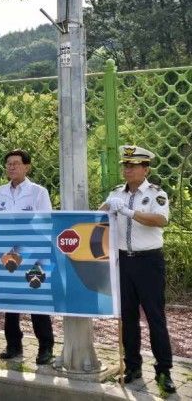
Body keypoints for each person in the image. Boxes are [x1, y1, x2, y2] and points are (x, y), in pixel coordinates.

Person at [101, 145, 176, 394]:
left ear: (145, 169)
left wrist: (130, 211)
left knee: (155, 317)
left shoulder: (156, 194)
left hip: (149, 262)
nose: (127, 170)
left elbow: (161, 220)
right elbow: (99, 216)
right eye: (125, 165)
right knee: (128, 316)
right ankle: (133, 366)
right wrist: (106, 208)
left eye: (132, 166)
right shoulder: (116, 194)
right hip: (124, 260)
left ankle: (164, 371)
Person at [0, 149, 54, 365]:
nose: (11, 167)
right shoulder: (0, 192)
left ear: (27, 167)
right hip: (7, 253)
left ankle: (46, 347)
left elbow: (45, 223)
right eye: (8, 163)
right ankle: (13, 345)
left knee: (37, 299)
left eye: (16, 163)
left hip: (33, 253)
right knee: (11, 299)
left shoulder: (38, 192)